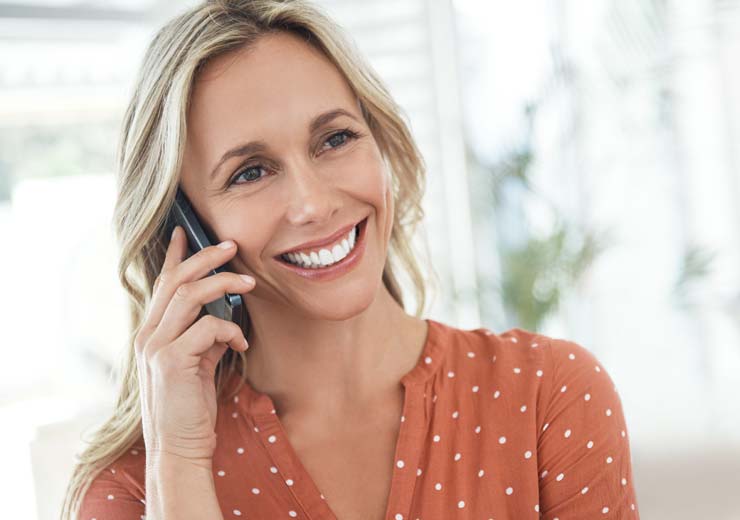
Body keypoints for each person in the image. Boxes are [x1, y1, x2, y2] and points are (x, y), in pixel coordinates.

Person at [61, 1, 641, 519]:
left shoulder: (547, 397)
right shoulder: (136, 488)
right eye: (250, 172)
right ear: (183, 228)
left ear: (380, 144)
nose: (313, 204)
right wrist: (180, 463)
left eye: (334, 139)